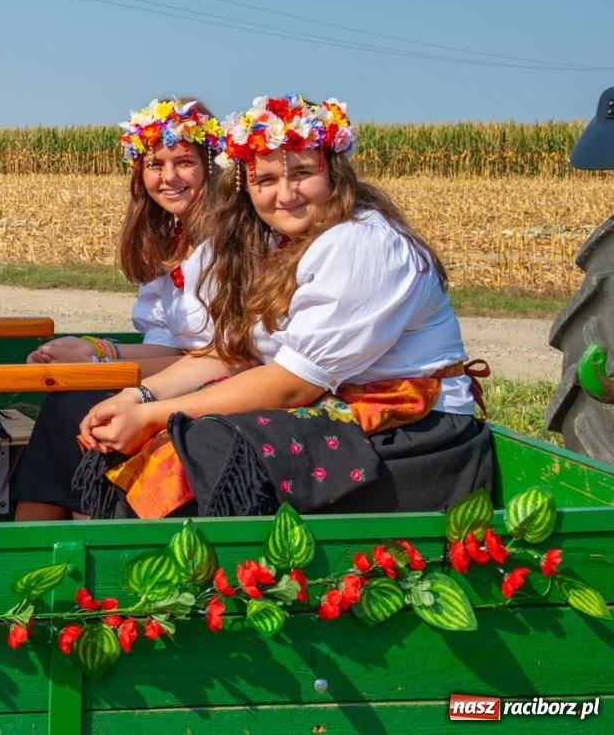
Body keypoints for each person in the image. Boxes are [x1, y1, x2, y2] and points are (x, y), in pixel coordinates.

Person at [73, 94, 492, 519]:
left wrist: (154, 417)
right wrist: (137, 396)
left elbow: (295, 383)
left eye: (303, 173)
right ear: (246, 187)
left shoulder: (361, 243)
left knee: (204, 449)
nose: (286, 194)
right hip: (344, 411)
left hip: (415, 431)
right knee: (170, 438)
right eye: (267, 180)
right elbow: (234, 354)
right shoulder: (276, 245)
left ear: (334, 173)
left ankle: (216, 575)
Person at [11, 98, 224, 520]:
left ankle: (67, 544)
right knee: (71, 398)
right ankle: (34, 544)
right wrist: (91, 350)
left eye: (184, 162)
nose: (168, 178)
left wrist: (98, 360)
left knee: (81, 406)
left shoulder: (230, 241)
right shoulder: (170, 240)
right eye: (154, 165)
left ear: (212, 166)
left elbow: (219, 356)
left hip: (228, 384)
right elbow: (172, 348)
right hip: (192, 374)